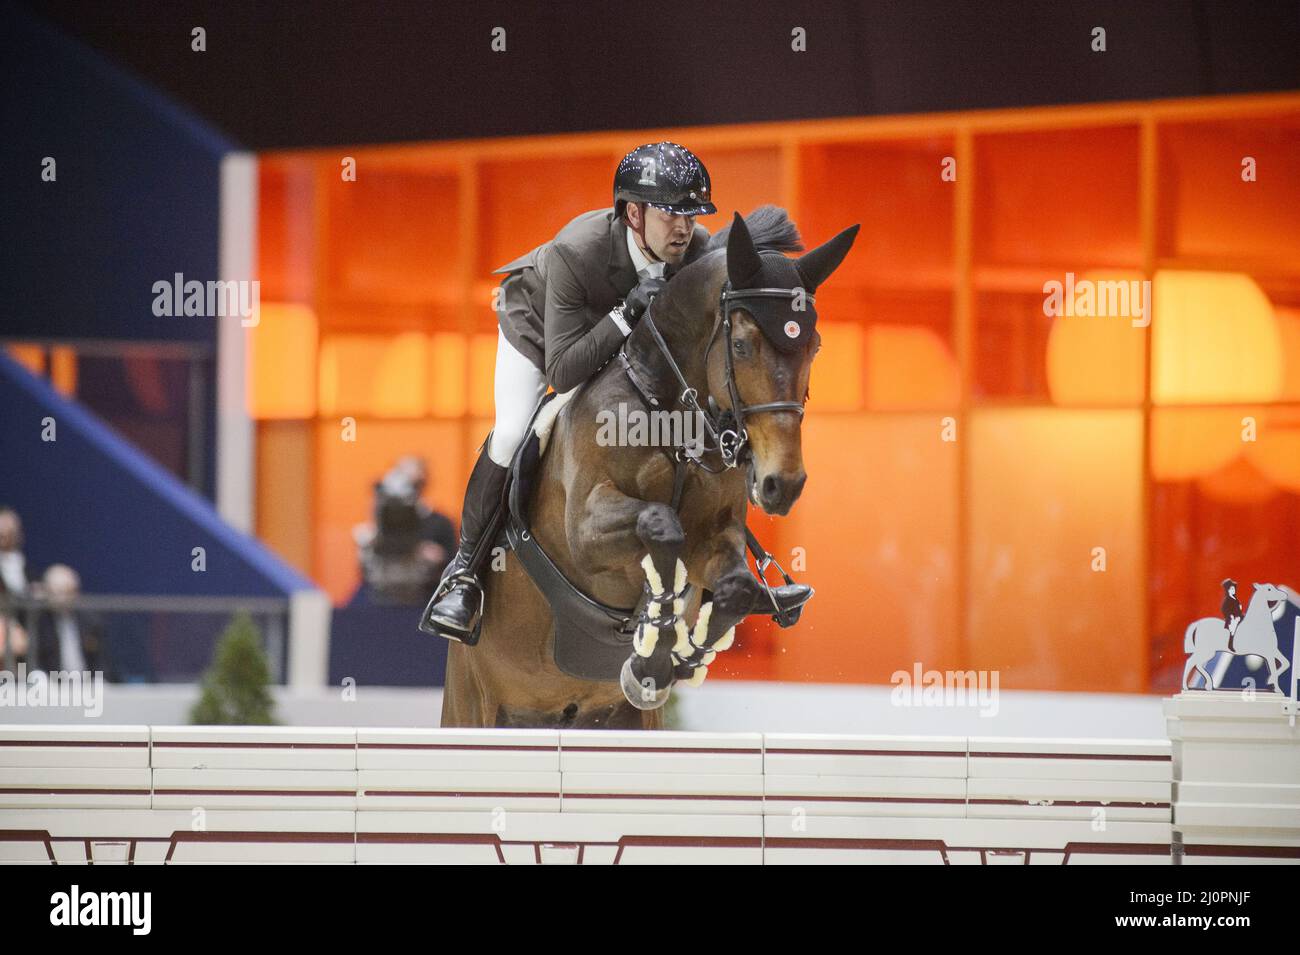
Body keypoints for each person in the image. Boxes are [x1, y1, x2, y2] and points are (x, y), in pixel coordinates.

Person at [421, 143, 717, 642]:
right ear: (634, 213)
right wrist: (626, 313)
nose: (684, 228)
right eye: (670, 214)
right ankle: (465, 572)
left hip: (618, 346)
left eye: (691, 214)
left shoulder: (696, 250)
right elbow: (564, 371)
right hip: (539, 332)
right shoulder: (574, 251)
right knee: (515, 430)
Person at [31, 564, 110, 676]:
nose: (63, 599)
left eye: (68, 592)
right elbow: (35, 660)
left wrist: (100, 680)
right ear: (47, 592)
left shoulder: (91, 621)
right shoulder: (38, 622)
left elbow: (101, 660)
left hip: (86, 685)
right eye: (58, 593)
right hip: (52, 685)